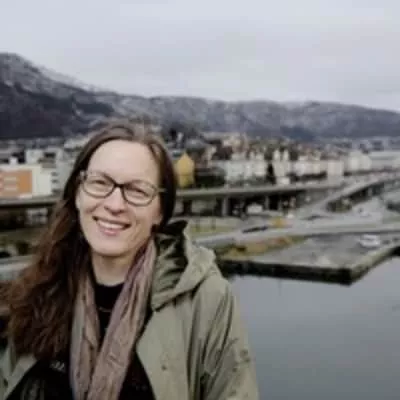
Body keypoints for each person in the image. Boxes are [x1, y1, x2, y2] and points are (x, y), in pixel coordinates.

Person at [0, 120, 259, 400]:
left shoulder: (206, 301)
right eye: (100, 183)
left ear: (160, 212)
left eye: (137, 190)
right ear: (77, 194)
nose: (114, 205)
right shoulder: (37, 291)